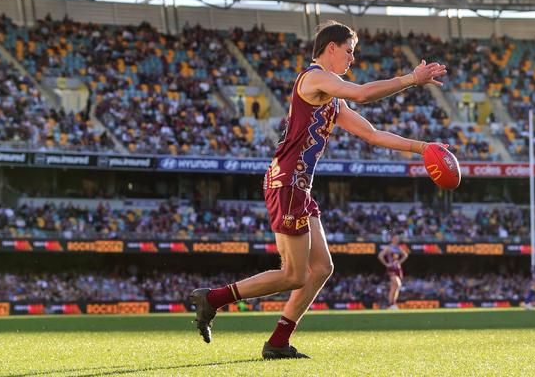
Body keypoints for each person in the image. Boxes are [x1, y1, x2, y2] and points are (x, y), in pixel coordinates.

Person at [190, 20, 448, 359]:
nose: (352, 59)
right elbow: (364, 93)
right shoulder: (313, 78)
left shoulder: (332, 99)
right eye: (349, 52)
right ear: (330, 48)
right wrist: (412, 79)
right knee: (294, 275)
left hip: (298, 186)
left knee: (321, 269)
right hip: (287, 182)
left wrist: (423, 147)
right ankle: (213, 299)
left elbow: (372, 134)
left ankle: (278, 342)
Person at [378, 234, 408, 309]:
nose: (397, 240)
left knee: (394, 287)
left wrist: (399, 262)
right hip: (391, 268)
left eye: (398, 238)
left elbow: (405, 255)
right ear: (392, 239)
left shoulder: (398, 248)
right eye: (395, 238)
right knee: (398, 284)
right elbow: (380, 256)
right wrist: (386, 264)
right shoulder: (389, 248)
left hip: (398, 268)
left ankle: (392, 304)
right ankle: (392, 303)